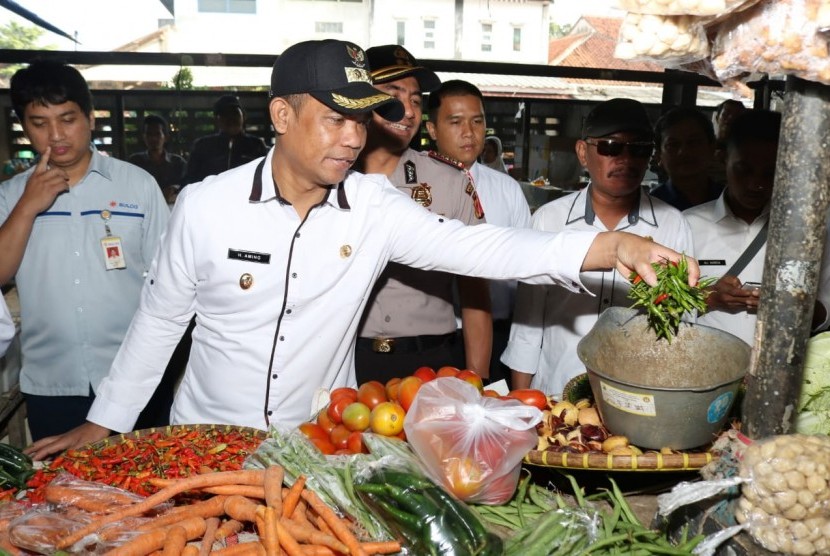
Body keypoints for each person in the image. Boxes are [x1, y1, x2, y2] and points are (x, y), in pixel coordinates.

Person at [25, 40, 698, 460]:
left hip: (315, 442)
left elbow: (479, 249)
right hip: (207, 439)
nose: (352, 137)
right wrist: (103, 422)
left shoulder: (374, 207)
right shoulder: (206, 205)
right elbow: (160, 322)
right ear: (282, 116)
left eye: (360, 117)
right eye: (334, 117)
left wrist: (605, 245)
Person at [0, 60, 170, 441]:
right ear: (24, 127)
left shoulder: (137, 186)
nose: (56, 135)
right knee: (64, 497)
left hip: (134, 380)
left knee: (152, 494)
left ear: (90, 118)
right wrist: (28, 205)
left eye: (67, 118)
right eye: (39, 123)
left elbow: (170, 282)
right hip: (52, 385)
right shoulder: (10, 196)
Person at [502, 98, 695, 398]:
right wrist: (521, 401)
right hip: (557, 393)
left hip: (636, 397)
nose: (625, 159)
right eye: (610, 147)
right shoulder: (549, 221)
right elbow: (528, 323)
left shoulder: (673, 226)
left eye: (639, 149)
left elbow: (680, 325)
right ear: (583, 152)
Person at [354, 45, 491, 382]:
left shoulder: (449, 182)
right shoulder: (331, 180)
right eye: (393, 94)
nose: (409, 110)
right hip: (348, 360)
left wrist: (477, 381)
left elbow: (475, 293)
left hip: (432, 362)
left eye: (416, 100)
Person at [684, 109, 830, 346]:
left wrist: (788, 306)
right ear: (722, 159)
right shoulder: (687, 224)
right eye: (744, 170)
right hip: (703, 373)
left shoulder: (813, 230)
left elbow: (825, 313)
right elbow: (661, 306)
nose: (756, 184)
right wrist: (711, 298)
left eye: (770, 173)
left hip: (782, 377)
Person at [426, 79, 531, 388]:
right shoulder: (415, 189)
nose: (469, 132)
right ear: (432, 130)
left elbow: (527, 270)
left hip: (501, 336)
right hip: (438, 342)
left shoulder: (507, 189)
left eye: (477, 121)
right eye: (455, 122)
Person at [181, 94, 268, 186]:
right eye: (225, 115)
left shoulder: (256, 145)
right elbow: (189, 180)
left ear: (244, 116)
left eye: (235, 113)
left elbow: (266, 177)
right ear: (216, 120)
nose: (231, 118)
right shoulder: (203, 146)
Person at [650, 106, 723, 210]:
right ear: (658, 156)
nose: (684, 152)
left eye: (694, 142)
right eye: (673, 145)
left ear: (712, 148)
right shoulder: (650, 207)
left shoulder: (732, 202)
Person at [128, 114, 187, 204]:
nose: (153, 138)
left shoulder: (178, 162)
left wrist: (174, 188)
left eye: (157, 134)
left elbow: (187, 186)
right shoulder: (135, 162)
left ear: (166, 137)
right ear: (144, 137)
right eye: (149, 134)